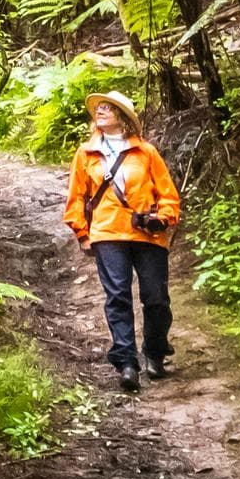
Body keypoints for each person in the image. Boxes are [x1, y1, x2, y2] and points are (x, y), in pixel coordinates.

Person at [62, 90, 182, 392]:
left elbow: (168, 194)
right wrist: (82, 233)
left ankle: (154, 353)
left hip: (147, 234)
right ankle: (126, 362)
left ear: (123, 117)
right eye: (98, 108)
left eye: (107, 108)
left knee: (156, 298)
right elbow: (77, 197)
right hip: (107, 233)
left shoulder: (146, 152)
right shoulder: (85, 154)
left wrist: (163, 218)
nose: (99, 111)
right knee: (118, 296)